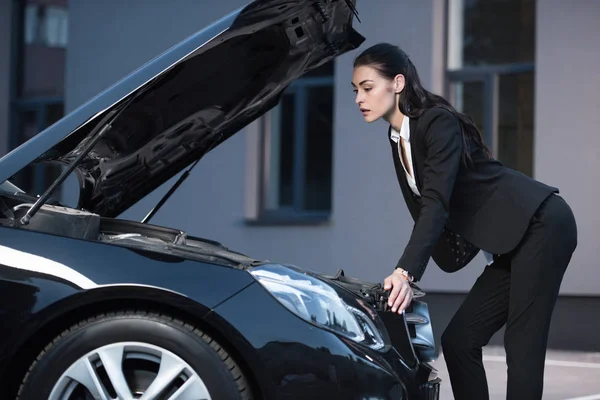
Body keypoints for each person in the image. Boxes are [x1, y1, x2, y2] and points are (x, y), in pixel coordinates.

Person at [351, 42, 578, 400]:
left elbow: (435, 203)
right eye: (356, 91)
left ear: (397, 83)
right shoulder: (398, 138)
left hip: (542, 223)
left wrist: (406, 271)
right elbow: (427, 210)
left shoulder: (436, 123)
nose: (359, 99)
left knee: (522, 344)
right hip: (511, 241)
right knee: (459, 341)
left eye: (367, 88)